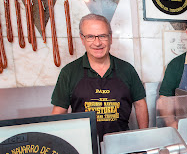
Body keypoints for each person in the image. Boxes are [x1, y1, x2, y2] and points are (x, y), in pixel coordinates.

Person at [51, 14, 149, 142]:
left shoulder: (127, 69)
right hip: (84, 145)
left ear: (110, 38)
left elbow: (140, 104)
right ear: (82, 39)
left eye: (102, 36)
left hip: (122, 144)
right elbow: (59, 112)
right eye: (90, 37)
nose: (97, 43)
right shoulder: (69, 72)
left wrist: (144, 138)